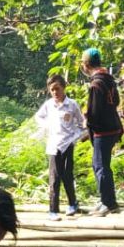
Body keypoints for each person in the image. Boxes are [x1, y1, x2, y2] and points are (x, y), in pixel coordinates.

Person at [35, 73, 86, 220]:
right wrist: (46, 126)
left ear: (64, 87)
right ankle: (53, 210)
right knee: (54, 177)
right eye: (52, 90)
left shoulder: (72, 104)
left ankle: (72, 203)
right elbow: (38, 117)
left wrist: (76, 136)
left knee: (67, 175)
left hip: (68, 144)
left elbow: (81, 123)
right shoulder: (49, 105)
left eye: (57, 88)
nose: (55, 92)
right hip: (53, 144)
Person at [81, 48, 123, 216]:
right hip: (113, 127)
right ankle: (105, 200)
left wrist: (86, 121)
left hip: (103, 131)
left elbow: (95, 112)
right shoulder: (108, 79)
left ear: (86, 65)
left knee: (100, 166)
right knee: (100, 164)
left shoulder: (96, 84)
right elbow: (117, 101)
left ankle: (109, 203)